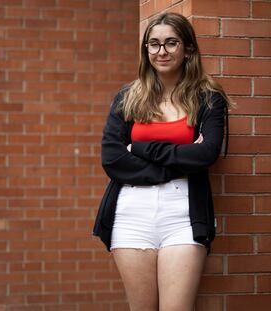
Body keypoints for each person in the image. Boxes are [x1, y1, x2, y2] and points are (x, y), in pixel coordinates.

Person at [93, 12, 231, 311]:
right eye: (153, 44)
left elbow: (206, 155)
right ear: (146, 50)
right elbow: (113, 159)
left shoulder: (208, 98)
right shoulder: (127, 98)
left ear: (188, 49)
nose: (161, 51)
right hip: (131, 212)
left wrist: (140, 147)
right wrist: (181, 159)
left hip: (183, 212)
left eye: (171, 42)